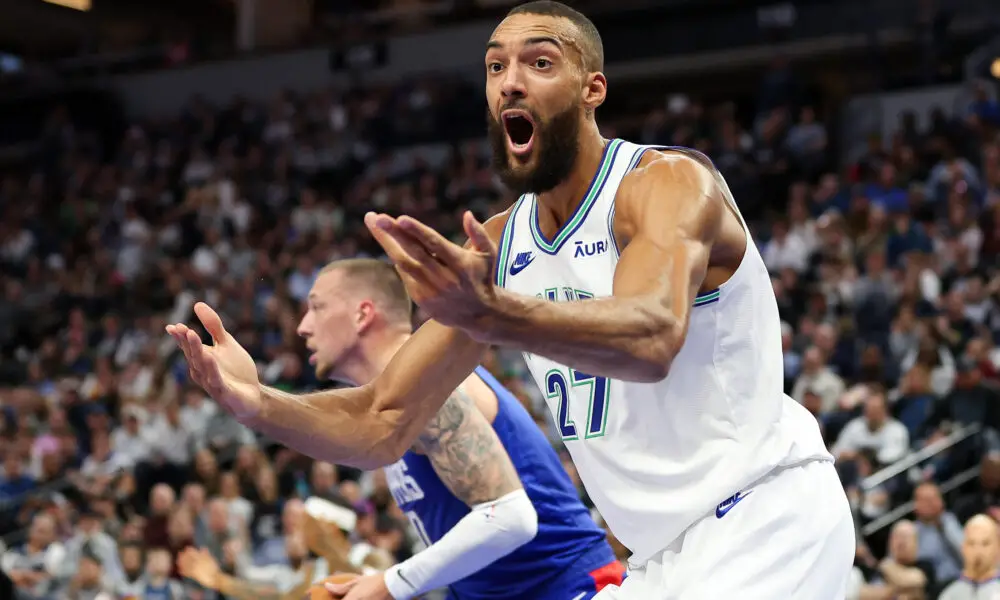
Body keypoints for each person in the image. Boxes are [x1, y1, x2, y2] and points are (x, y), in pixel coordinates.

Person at [166, 1, 855, 597]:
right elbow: (381, 419)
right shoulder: (501, 246)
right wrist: (256, 404)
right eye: (495, 67)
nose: (510, 82)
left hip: (765, 518)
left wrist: (496, 314)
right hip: (659, 558)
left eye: (539, 62)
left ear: (593, 88)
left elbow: (652, 338)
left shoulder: (668, 185)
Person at [302, 258, 620, 599]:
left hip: (569, 589)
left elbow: (509, 519)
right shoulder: (393, 400)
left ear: (362, 314)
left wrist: (391, 584)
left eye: (316, 307)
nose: (303, 326)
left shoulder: (426, 385)